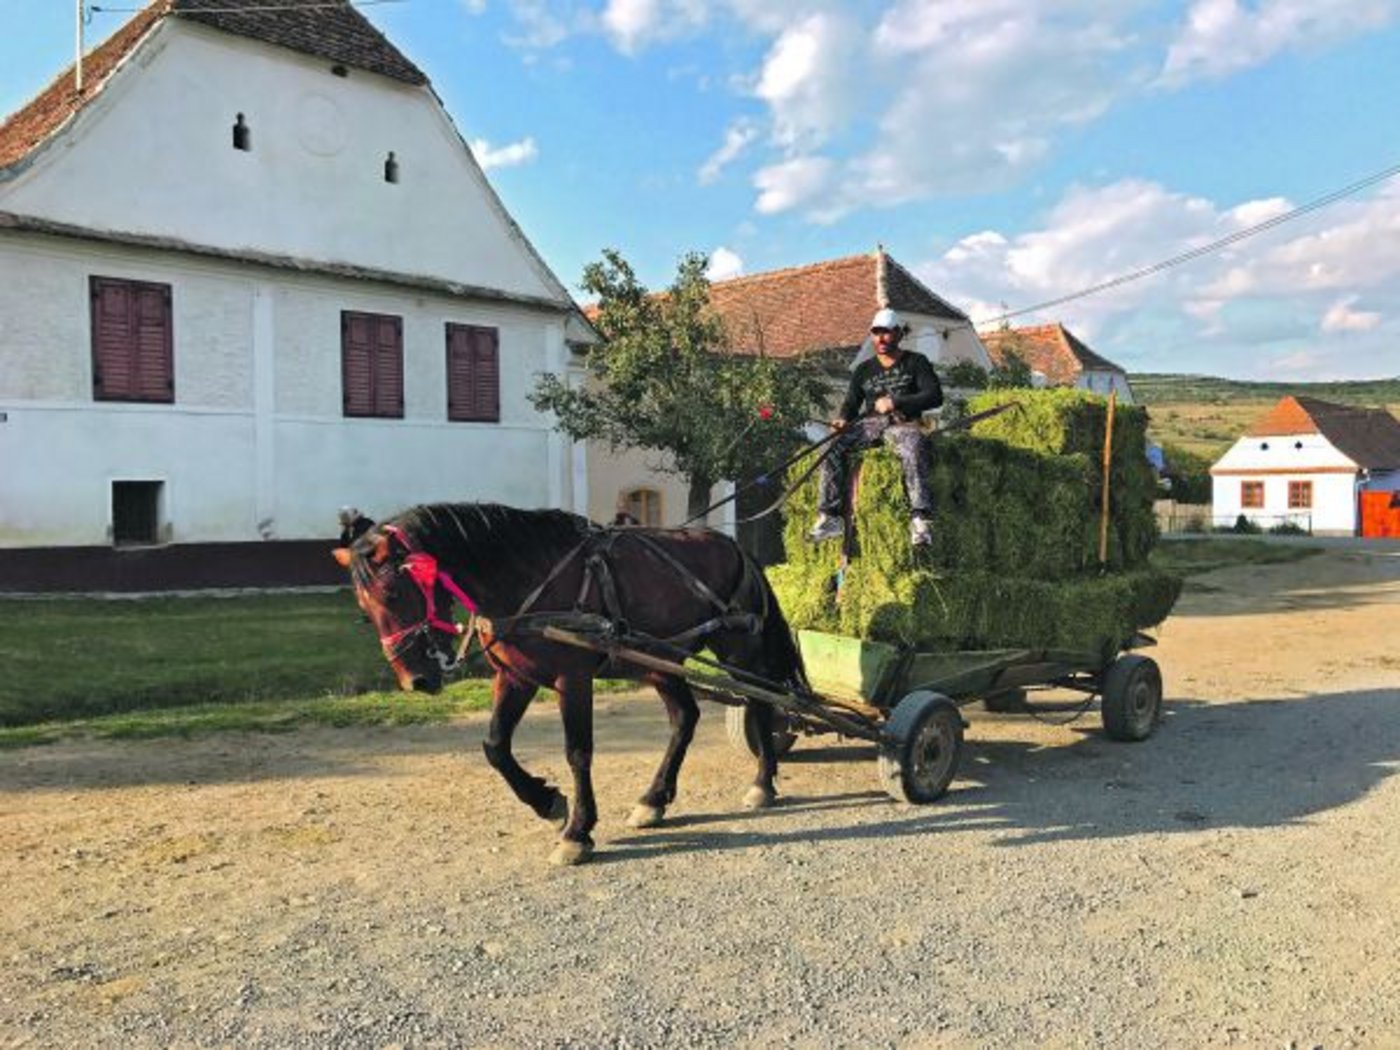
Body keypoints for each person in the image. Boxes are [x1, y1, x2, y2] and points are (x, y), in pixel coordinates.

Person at [809, 307, 943, 547]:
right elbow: (851, 403)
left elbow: (934, 396)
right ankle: (830, 517)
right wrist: (842, 419)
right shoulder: (864, 370)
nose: (881, 338)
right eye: (876, 333)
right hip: (869, 426)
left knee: (913, 445)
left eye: (886, 332)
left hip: (902, 424)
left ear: (899, 334)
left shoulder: (916, 362)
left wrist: (896, 402)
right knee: (832, 445)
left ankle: (920, 518)